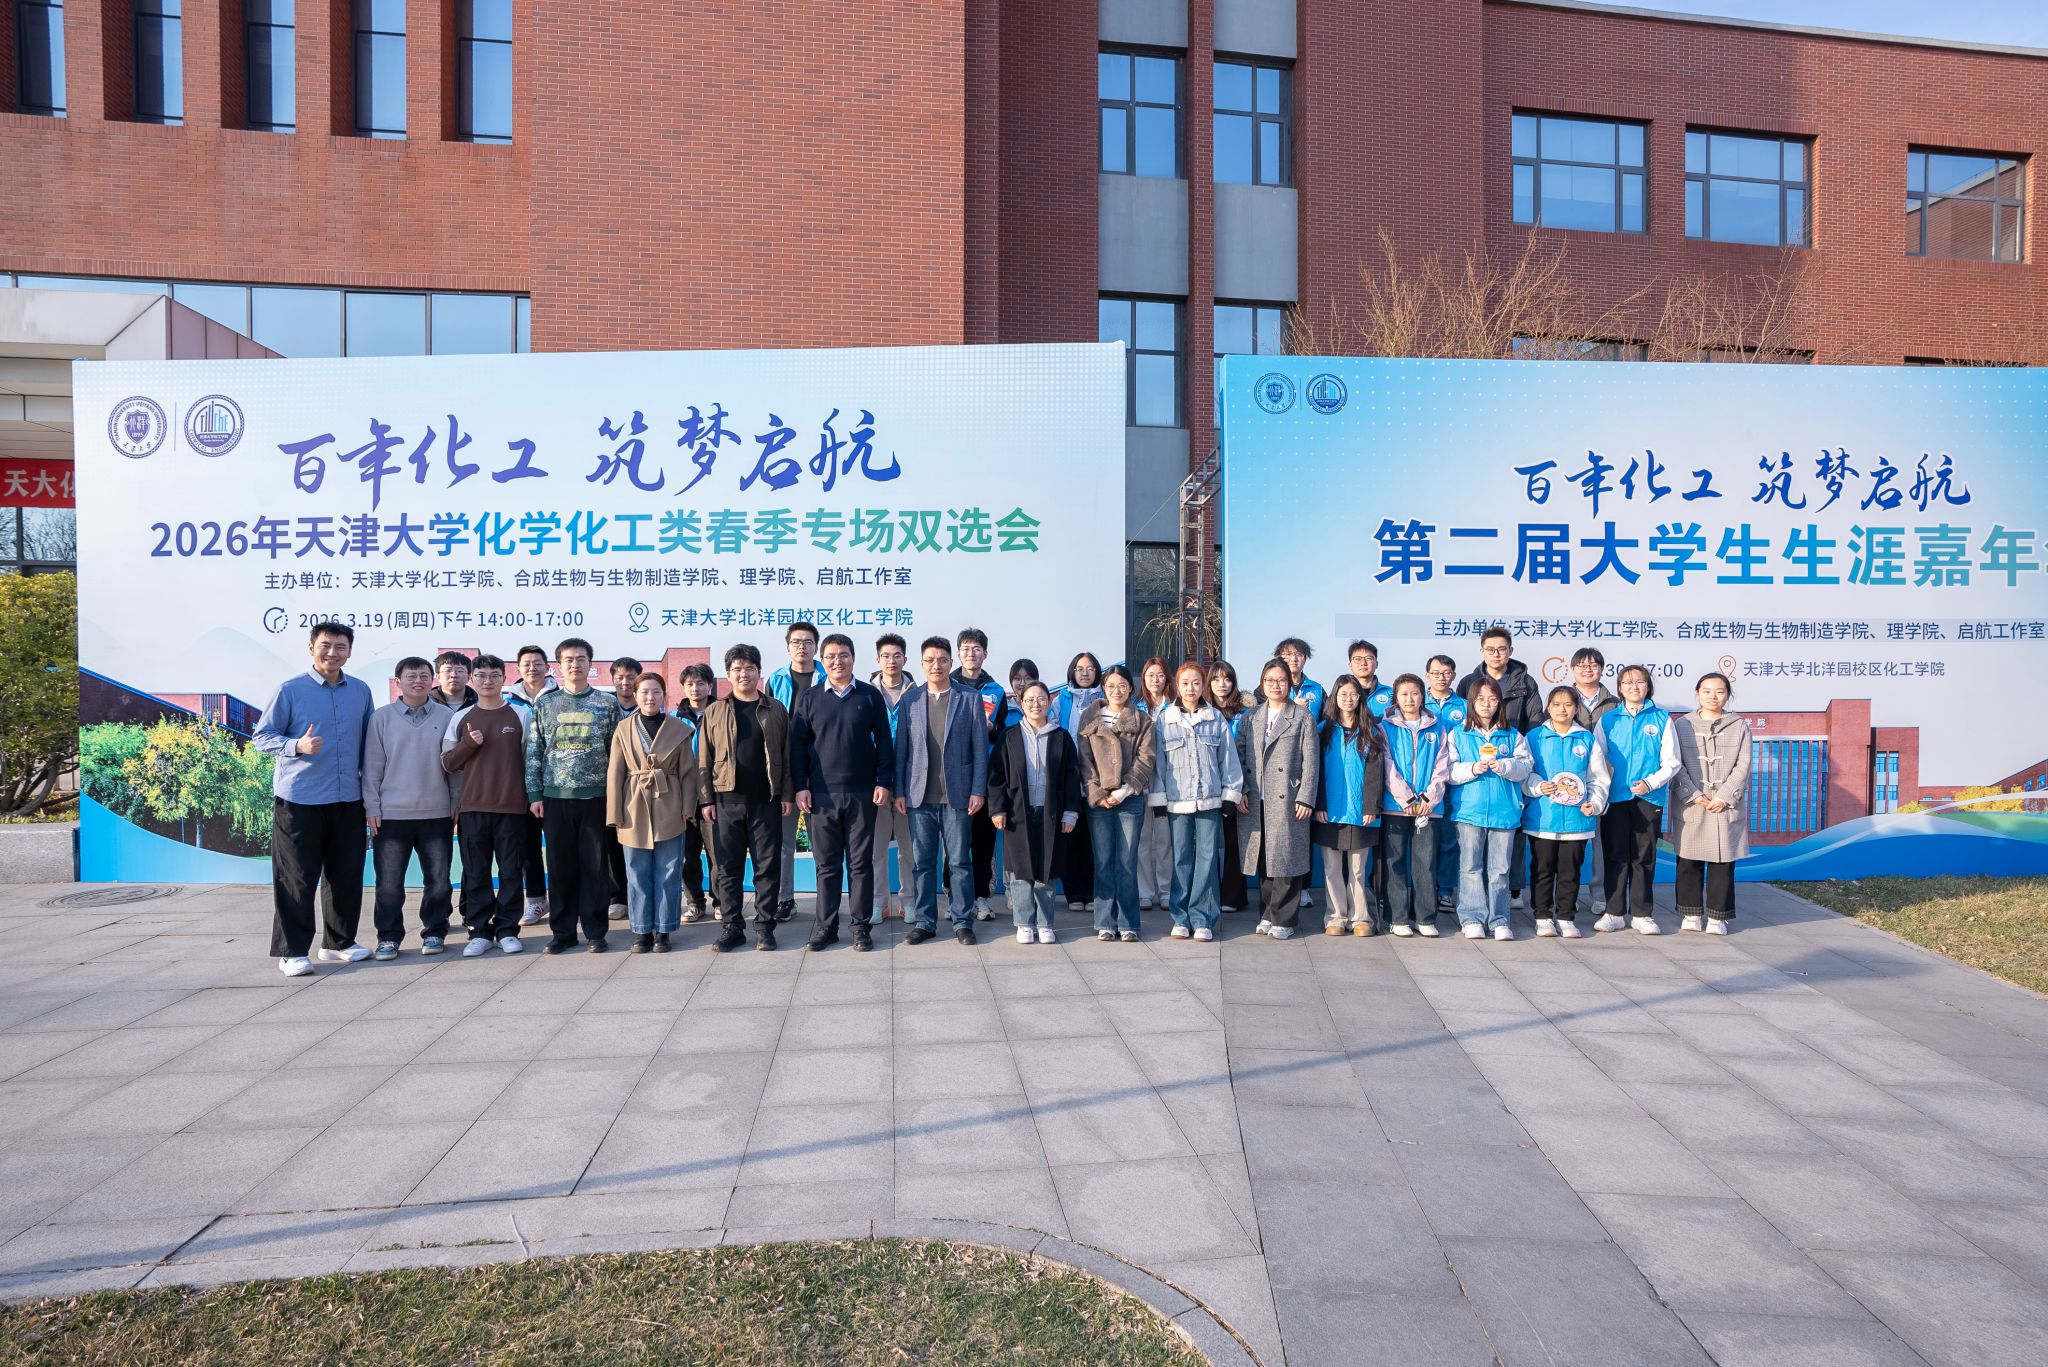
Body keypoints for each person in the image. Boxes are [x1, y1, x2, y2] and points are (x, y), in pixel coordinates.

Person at [253, 621, 375, 977]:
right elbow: (262, 737)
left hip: (347, 797)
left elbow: (369, 741)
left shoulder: (360, 691)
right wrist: (296, 746)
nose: (333, 653)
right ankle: (292, 951)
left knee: (346, 873)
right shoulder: (290, 690)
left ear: (349, 652)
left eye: (340, 647)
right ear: (311, 648)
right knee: (297, 877)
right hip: (300, 799)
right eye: (326, 645)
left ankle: (338, 943)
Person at [791, 633, 895, 952]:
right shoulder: (810, 698)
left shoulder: (869, 695)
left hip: (863, 794)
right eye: (831, 656)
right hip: (821, 797)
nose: (838, 661)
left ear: (853, 658)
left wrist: (883, 781)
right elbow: (797, 746)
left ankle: (860, 927)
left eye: (844, 655)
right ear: (822, 660)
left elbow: (884, 741)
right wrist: (800, 787)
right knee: (827, 865)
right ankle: (826, 927)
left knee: (861, 864)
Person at [525, 637, 620, 954]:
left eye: (581, 659)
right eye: (569, 660)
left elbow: (617, 754)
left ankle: (595, 932)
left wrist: (615, 795)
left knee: (595, 867)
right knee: (560, 867)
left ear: (590, 664)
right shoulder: (545, 704)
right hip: (556, 798)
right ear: (558, 666)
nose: (575, 664)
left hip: (597, 798)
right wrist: (535, 794)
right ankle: (563, 932)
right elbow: (535, 752)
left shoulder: (607, 704)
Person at [697, 643, 794, 952]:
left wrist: (787, 794)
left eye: (749, 668)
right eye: (737, 669)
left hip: (766, 801)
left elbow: (787, 756)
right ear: (728, 674)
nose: (743, 674)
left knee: (767, 867)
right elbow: (704, 760)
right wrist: (706, 800)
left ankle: (765, 927)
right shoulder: (715, 711)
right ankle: (732, 927)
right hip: (726, 802)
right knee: (728, 868)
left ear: (758, 672)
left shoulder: (775, 709)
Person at [896, 635, 990, 945]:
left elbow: (980, 749)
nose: (936, 665)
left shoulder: (969, 698)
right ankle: (925, 922)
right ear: (921, 664)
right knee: (923, 863)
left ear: (951, 662)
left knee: (960, 862)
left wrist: (978, 790)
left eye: (942, 660)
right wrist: (900, 791)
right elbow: (902, 750)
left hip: (958, 796)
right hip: (919, 796)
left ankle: (962, 921)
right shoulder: (910, 700)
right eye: (929, 660)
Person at [362, 656, 457, 960]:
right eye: (411, 676)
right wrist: (372, 807)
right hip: (391, 815)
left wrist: (456, 801)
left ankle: (435, 931)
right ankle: (388, 937)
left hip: (436, 813)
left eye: (424, 676)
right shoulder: (381, 718)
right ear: (398, 681)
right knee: (389, 884)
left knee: (438, 881)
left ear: (433, 680)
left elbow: (455, 766)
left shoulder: (447, 716)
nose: (418, 681)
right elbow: (372, 768)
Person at [440, 654, 533, 956]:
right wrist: (469, 744)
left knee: (510, 872)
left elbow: (529, 762)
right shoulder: (461, 717)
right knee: (476, 872)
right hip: (472, 808)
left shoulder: (521, 715)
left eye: (494, 675)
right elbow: (447, 763)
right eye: (481, 675)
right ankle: (479, 931)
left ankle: (507, 929)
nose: (488, 681)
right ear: (472, 679)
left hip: (511, 808)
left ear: (504, 678)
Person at [1150, 662, 1245, 943]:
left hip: (1209, 802)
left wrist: (1230, 796)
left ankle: (1203, 918)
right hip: (1177, 803)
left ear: (1203, 686)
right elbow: (1158, 765)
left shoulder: (1215, 718)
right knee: (1181, 858)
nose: (1190, 688)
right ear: (1177, 686)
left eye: (1196, 683)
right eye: (1185, 683)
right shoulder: (1165, 720)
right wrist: (1158, 799)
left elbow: (1228, 760)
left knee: (1207, 858)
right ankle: (1180, 917)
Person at [608, 672, 702, 953]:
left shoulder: (678, 729)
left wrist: (687, 808)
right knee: (636, 872)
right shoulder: (623, 728)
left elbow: (688, 773)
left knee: (669, 871)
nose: (650, 697)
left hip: (669, 802)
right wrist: (614, 813)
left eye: (656, 692)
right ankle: (641, 930)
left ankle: (664, 929)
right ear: (635, 695)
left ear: (664, 695)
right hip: (632, 805)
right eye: (645, 692)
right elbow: (615, 772)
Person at [991, 680, 1084, 944]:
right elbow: (996, 776)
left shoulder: (1061, 737)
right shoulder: (1009, 736)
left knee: (1047, 869)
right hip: (1017, 812)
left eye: (1041, 699)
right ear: (1021, 704)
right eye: (1030, 699)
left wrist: (1070, 812)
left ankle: (1045, 923)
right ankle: (1024, 923)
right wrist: (998, 809)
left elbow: (1072, 776)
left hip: (1050, 812)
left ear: (1049, 702)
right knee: (1020, 870)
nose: (1036, 704)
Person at [1456, 627, 1543, 906]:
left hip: (1509, 763)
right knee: (1471, 855)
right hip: (1474, 780)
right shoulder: (1468, 681)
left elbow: (1534, 722)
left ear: (1510, 651)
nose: (1496, 654)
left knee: (1508, 846)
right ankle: (1473, 904)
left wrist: (1512, 758)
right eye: (1491, 649)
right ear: (1482, 651)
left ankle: (1512, 892)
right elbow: (1463, 719)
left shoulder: (1526, 682)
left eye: (1502, 649)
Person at [1595, 665, 1679, 935]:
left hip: (1649, 797)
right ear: (1619, 688)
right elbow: (1597, 760)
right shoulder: (1608, 720)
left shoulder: (1662, 719)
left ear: (1648, 686)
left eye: (1639, 681)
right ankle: (1614, 912)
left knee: (1644, 856)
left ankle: (1642, 914)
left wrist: (1650, 783)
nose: (1634, 686)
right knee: (1615, 855)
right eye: (1627, 682)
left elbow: (1672, 762)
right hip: (1615, 798)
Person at [1523, 685, 1611, 939]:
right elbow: (1525, 772)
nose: (1562, 709)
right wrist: (1538, 786)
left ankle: (1565, 916)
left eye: (1568, 705)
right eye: (1556, 704)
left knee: (1570, 871)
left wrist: (1594, 804)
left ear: (1576, 709)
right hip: (1543, 818)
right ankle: (1542, 916)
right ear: (1548, 707)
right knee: (1542, 870)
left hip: (1577, 821)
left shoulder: (1586, 739)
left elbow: (1598, 778)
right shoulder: (1534, 737)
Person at [1240, 659, 1320, 939]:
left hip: (1288, 798)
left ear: (1289, 683)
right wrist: (1241, 790)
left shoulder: (1302, 716)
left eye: (1281, 680)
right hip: (1257, 798)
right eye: (1270, 680)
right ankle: (1267, 914)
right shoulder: (1251, 716)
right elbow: (1239, 754)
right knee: (1265, 858)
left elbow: (1311, 761)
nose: (1276, 685)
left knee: (1286, 858)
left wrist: (1306, 797)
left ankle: (1284, 919)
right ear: (1262, 683)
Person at [1446, 678, 1532, 940]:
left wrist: (1505, 766)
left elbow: (1525, 767)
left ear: (1499, 703)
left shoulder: (1512, 735)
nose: (1486, 704)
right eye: (1481, 699)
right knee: (1470, 867)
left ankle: (1499, 919)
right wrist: (1473, 768)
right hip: (1469, 811)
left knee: (1500, 870)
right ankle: (1472, 918)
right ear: (1471, 702)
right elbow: (1449, 771)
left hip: (1504, 812)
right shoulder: (1458, 733)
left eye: (1492, 699)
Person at [1670, 673, 1752, 935]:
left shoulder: (1739, 725)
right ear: (1697, 694)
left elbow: (1744, 764)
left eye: (1719, 691)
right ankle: (1691, 912)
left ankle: (1718, 916)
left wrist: (1725, 796)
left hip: (1725, 805)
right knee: (1688, 860)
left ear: (1727, 695)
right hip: (1693, 803)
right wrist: (1693, 794)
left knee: (1723, 861)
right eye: (1706, 691)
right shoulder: (1681, 725)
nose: (1712, 696)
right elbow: (1674, 763)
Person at [1077, 664, 1154, 942]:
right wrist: (1097, 793)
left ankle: (1129, 922)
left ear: (1130, 688)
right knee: (1103, 861)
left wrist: (1125, 790)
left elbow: (1146, 758)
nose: (1116, 691)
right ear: (1103, 688)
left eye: (1122, 685)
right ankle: (1105, 921)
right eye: (1110, 686)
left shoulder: (1142, 720)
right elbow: (1084, 760)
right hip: (1099, 801)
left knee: (1127, 862)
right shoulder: (1089, 717)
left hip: (1129, 799)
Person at [1379, 673, 1451, 938]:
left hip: (1429, 808)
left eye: (1415, 693)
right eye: (1404, 694)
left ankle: (1424, 917)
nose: (1410, 699)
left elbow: (1443, 766)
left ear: (1423, 696)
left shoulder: (1438, 727)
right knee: (1394, 861)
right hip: (1395, 805)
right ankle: (1397, 917)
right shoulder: (1384, 727)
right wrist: (1406, 797)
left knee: (1425, 862)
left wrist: (1429, 798)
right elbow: (1386, 765)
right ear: (1396, 698)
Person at [1314, 675, 1386, 936]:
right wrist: (1319, 804)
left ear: (1360, 698)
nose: (1348, 699)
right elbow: (1315, 771)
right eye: (1343, 694)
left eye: (1353, 695)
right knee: (1332, 868)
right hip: (1329, 811)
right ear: (1334, 697)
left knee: (1357, 870)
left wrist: (1371, 807)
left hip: (1359, 812)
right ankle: (1335, 916)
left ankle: (1360, 918)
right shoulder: (1323, 730)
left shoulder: (1371, 730)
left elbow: (1376, 773)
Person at [766, 621, 822, 923]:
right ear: (788, 647)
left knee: (822, 842)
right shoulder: (775, 679)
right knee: (784, 843)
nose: (802, 647)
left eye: (808, 642)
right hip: (785, 772)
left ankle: (826, 899)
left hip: (820, 770)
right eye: (797, 642)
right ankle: (785, 898)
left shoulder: (827, 676)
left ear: (816, 647)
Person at [952, 627, 1009, 921]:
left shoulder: (995, 690)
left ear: (985, 653)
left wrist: (991, 728)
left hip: (984, 776)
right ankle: (954, 898)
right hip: (953, 775)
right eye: (965, 648)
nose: (971, 654)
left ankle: (981, 898)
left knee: (984, 841)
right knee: (955, 843)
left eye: (976, 649)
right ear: (958, 653)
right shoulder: (947, 685)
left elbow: (1003, 733)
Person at [1568, 647, 1621, 914]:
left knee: (1602, 843)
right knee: (1571, 844)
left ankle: (1600, 894)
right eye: (1582, 665)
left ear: (1602, 669)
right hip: (1570, 784)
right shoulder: (1562, 699)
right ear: (1572, 669)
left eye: (1593, 665)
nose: (1587, 670)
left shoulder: (1615, 703)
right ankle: (1568, 894)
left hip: (1605, 782)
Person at [868, 634, 916, 923]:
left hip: (908, 785)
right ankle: (879, 903)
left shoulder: (917, 694)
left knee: (908, 850)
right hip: (876, 784)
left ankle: (908, 902)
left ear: (905, 659)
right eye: (886, 656)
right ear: (878, 660)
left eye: (897, 655)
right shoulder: (866, 694)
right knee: (877, 849)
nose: (892, 661)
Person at [508, 645, 556, 926]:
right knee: (528, 847)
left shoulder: (560, 697)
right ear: (518, 668)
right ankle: (536, 900)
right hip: (521, 787)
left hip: (557, 785)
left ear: (548, 667)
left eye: (538, 663)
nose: (532, 668)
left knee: (560, 847)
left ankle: (564, 898)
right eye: (526, 663)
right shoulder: (508, 702)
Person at [1274, 637, 1322, 916]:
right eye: (1287, 655)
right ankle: (1278, 890)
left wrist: (1306, 718)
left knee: (1304, 832)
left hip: (1305, 767)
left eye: (1299, 655)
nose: (1293, 659)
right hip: (1276, 772)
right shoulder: (1267, 688)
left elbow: (1326, 723)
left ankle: (1303, 886)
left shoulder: (1317, 689)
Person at [1054, 651, 1104, 911]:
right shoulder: (1061, 699)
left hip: (1098, 778)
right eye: (1080, 668)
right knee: (1070, 836)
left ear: (1097, 672)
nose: (1085, 673)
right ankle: (1074, 893)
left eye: (1090, 668)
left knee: (1095, 840)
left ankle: (1093, 893)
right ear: (1072, 671)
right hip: (1069, 776)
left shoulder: (1105, 699)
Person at [671, 662, 718, 923]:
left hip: (715, 795)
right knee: (688, 855)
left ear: (709, 686)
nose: (695, 688)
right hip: (684, 797)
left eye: (700, 683)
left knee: (717, 854)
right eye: (689, 684)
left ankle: (720, 902)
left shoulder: (722, 712)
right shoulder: (673, 718)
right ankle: (695, 903)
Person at [1208, 663, 1253, 912]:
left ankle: (1233, 897)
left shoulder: (1246, 713)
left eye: (1226, 679)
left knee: (1235, 842)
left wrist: (1243, 789)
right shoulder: (1203, 711)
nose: (1221, 684)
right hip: (1209, 785)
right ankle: (1211, 894)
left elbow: (1248, 754)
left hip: (1236, 785)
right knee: (1208, 843)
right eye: (1216, 679)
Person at [1424, 654, 1467, 914]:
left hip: (1453, 781)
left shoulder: (1465, 706)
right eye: (1436, 673)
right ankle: (1423, 889)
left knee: (1450, 840)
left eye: (1447, 673)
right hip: (1423, 780)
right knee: (1423, 841)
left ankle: (1445, 891)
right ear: (1427, 675)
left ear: (1453, 675)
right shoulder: (1417, 700)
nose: (1441, 677)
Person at [602, 656, 643, 923]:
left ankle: (639, 895)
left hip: (641, 786)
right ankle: (617, 897)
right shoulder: (604, 706)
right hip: (609, 784)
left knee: (639, 841)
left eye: (631, 677)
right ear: (613, 679)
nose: (625, 682)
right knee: (611, 842)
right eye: (620, 677)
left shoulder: (648, 705)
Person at [1135, 656, 1173, 913]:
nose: (1155, 680)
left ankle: (1166, 891)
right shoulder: (1136, 708)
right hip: (1140, 783)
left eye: (1160, 675)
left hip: (1167, 784)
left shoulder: (1175, 708)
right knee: (1142, 840)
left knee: (1165, 840)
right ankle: (1145, 892)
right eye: (1150, 675)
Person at [1329, 639, 1394, 721]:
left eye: (1369, 658)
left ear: (1377, 664)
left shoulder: (1391, 694)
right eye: (1357, 659)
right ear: (1350, 664)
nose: (1363, 663)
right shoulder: (1339, 693)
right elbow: (1328, 720)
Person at [1005, 659, 1039, 728]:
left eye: (1028, 679)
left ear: (1036, 681)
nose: (1022, 683)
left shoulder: (1044, 707)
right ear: (1011, 681)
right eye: (1017, 679)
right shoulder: (1004, 709)